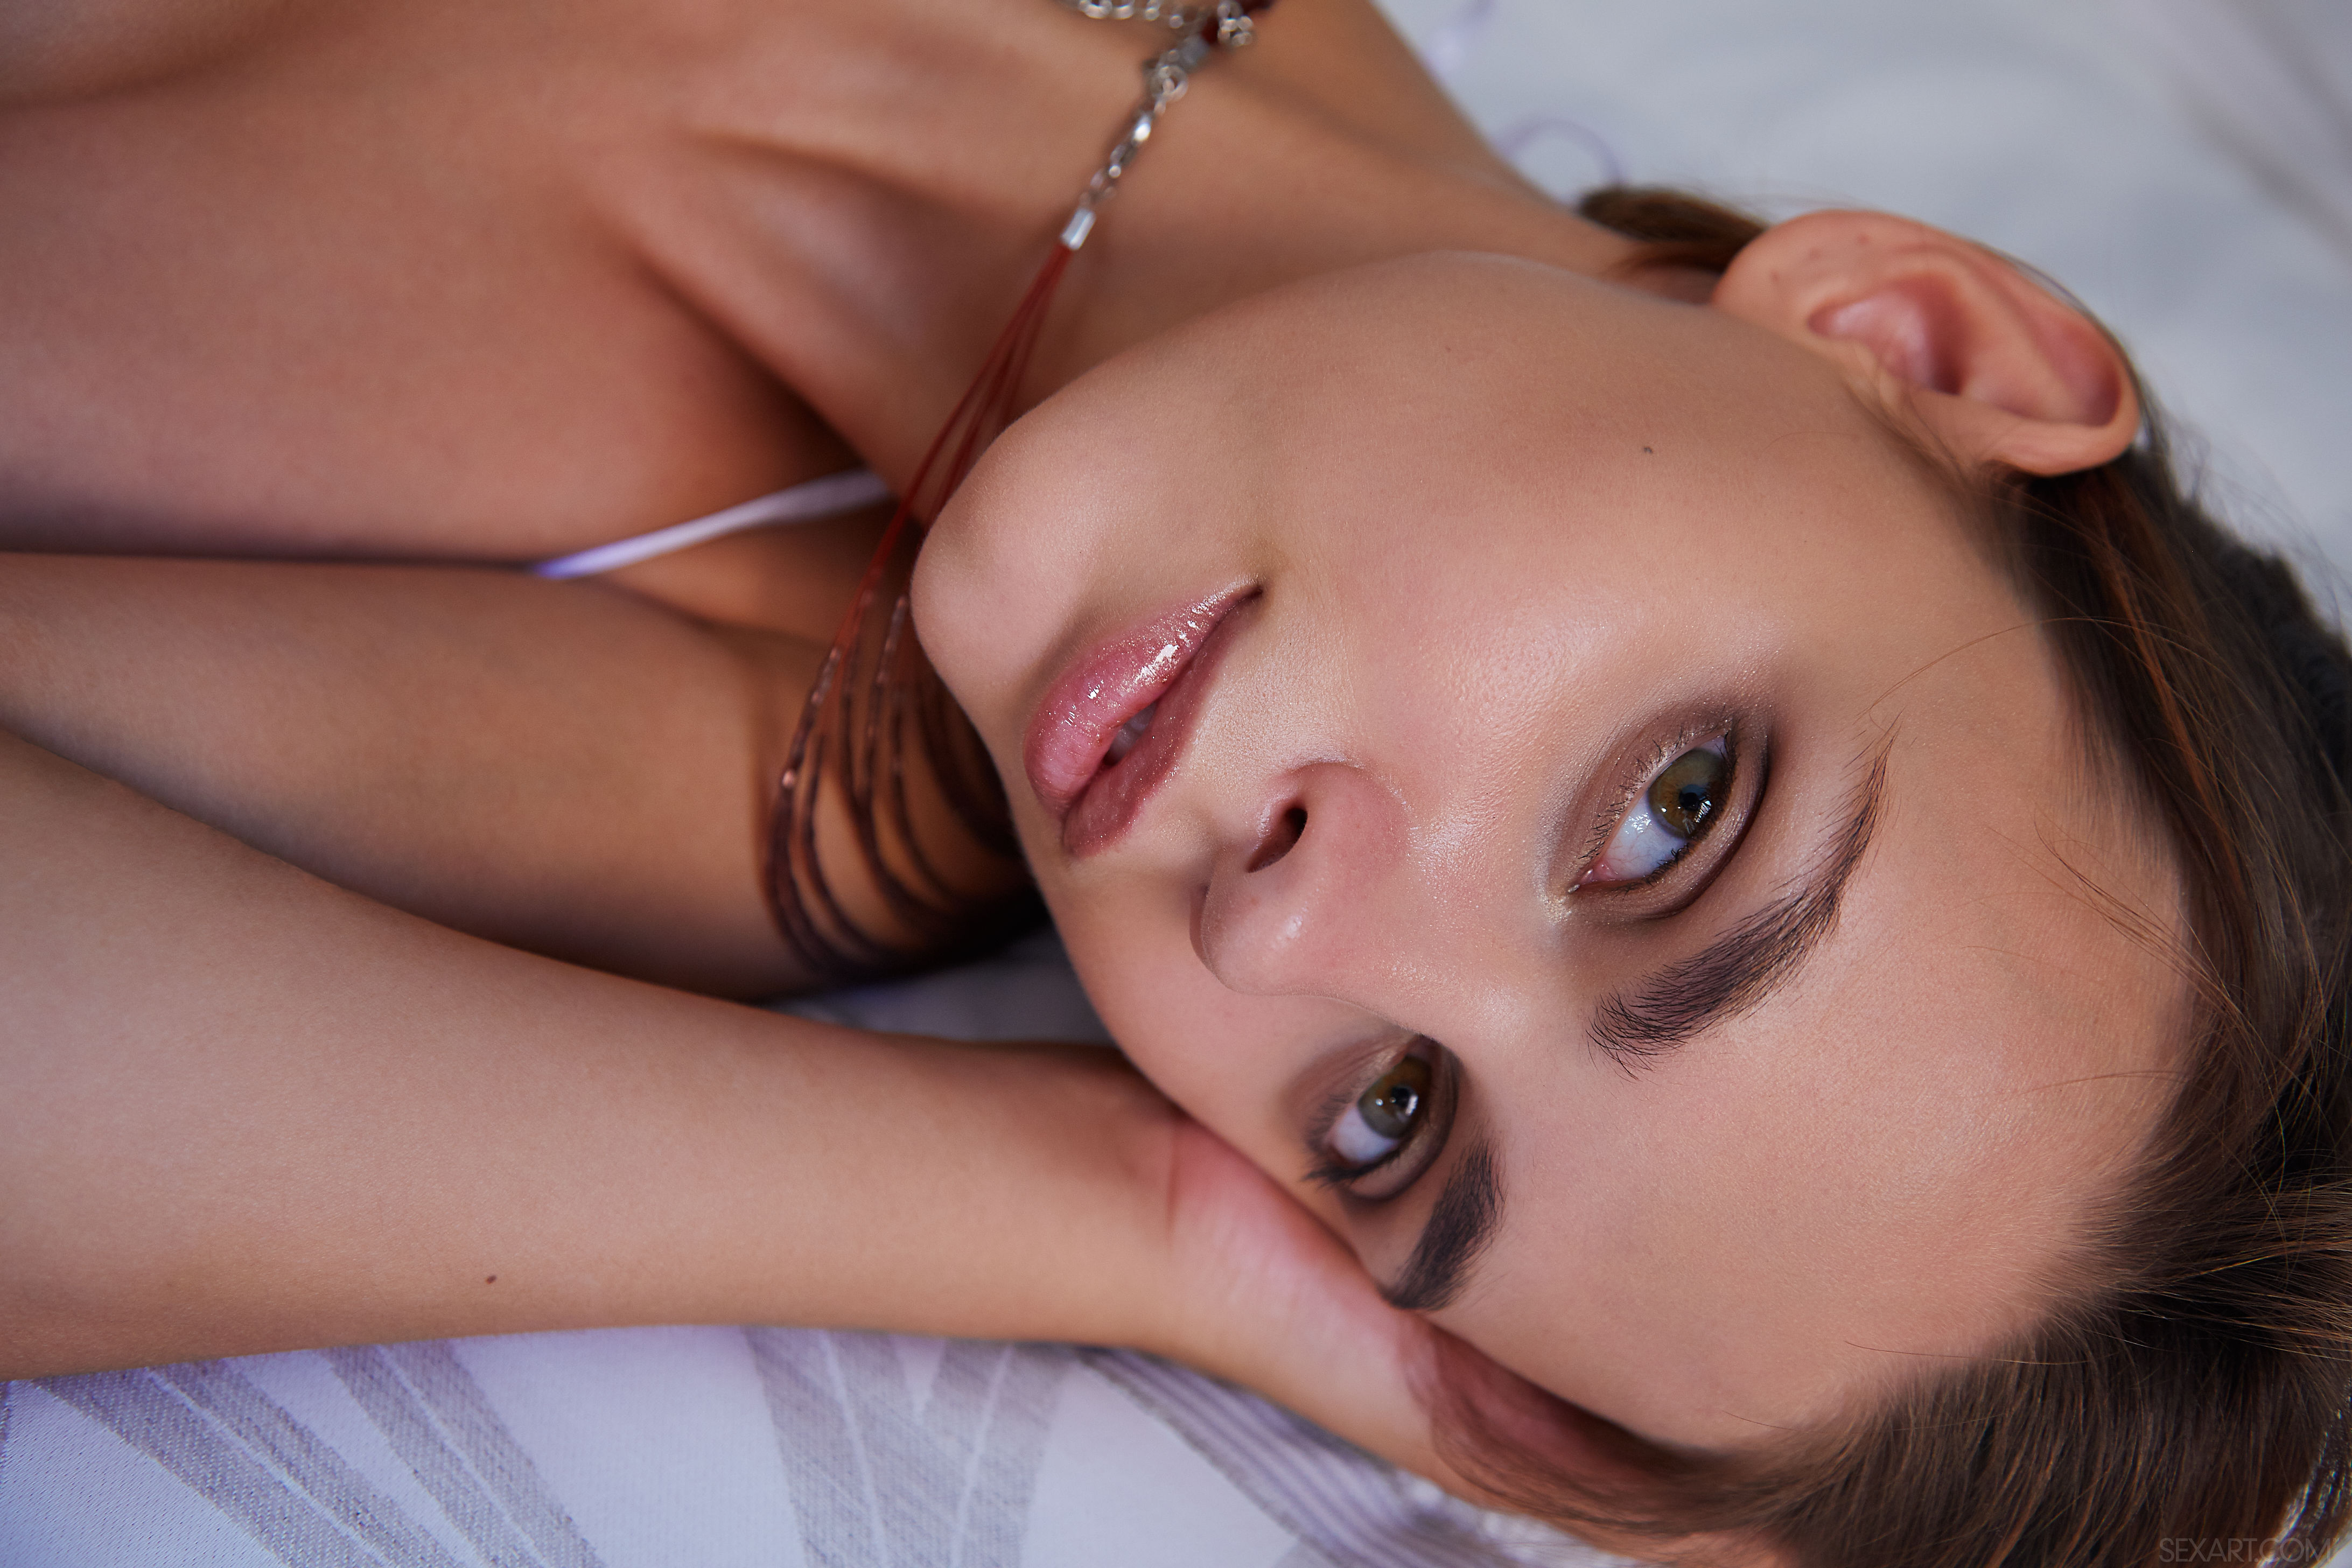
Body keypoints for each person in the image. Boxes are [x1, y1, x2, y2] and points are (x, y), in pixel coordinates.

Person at [1, 1, 2346, 1562]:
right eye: (1675, 815)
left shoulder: (744, 759)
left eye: (1394, 1119)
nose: (1283, 923)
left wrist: (1143, 1228)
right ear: (1913, 341)